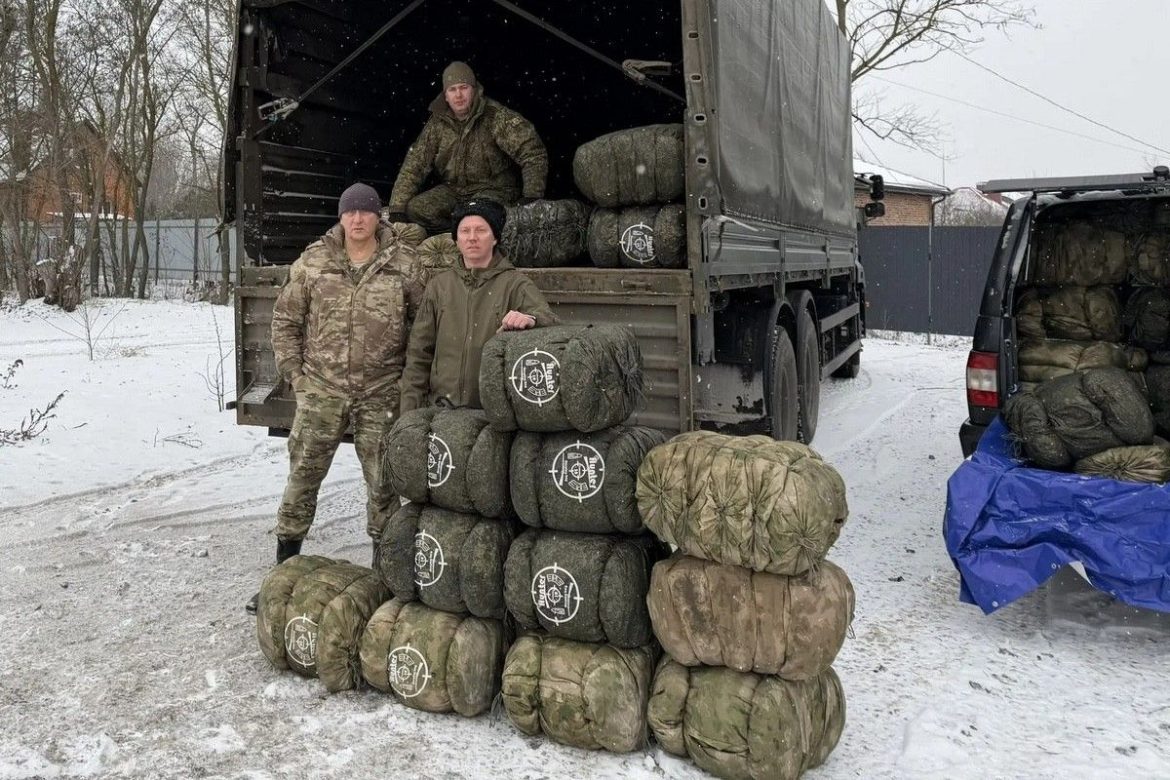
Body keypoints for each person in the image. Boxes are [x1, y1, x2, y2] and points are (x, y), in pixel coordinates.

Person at [246, 183, 424, 614]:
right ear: (341, 217)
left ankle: (385, 581)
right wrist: (297, 378)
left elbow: (423, 329)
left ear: (378, 217)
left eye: (366, 212)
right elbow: (285, 322)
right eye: (350, 212)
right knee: (303, 479)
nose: (358, 220)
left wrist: (406, 385)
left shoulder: (405, 265)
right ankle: (282, 574)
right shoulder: (314, 262)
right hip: (322, 391)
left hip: (380, 393)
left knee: (384, 486)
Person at [400, 198, 558, 412]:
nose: (472, 238)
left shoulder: (514, 284)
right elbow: (419, 355)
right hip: (441, 411)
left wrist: (531, 320)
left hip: (491, 415)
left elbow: (551, 324)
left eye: (481, 230)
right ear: (456, 240)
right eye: (465, 231)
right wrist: (409, 415)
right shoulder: (439, 286)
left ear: (494, 238)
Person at [387, 61, 548, 232]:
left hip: (496, 190)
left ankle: (478, 234)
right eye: (452, 89)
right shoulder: (437, 124)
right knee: (416, 210)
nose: (458, 95)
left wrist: (532, 197)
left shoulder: (497, 117)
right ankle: (459, 235)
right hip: (455, 191)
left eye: (463, 87)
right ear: (446, 96)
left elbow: (533, 152)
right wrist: (397, 207)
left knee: (475, 214)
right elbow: (415, 164)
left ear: (474, 89)